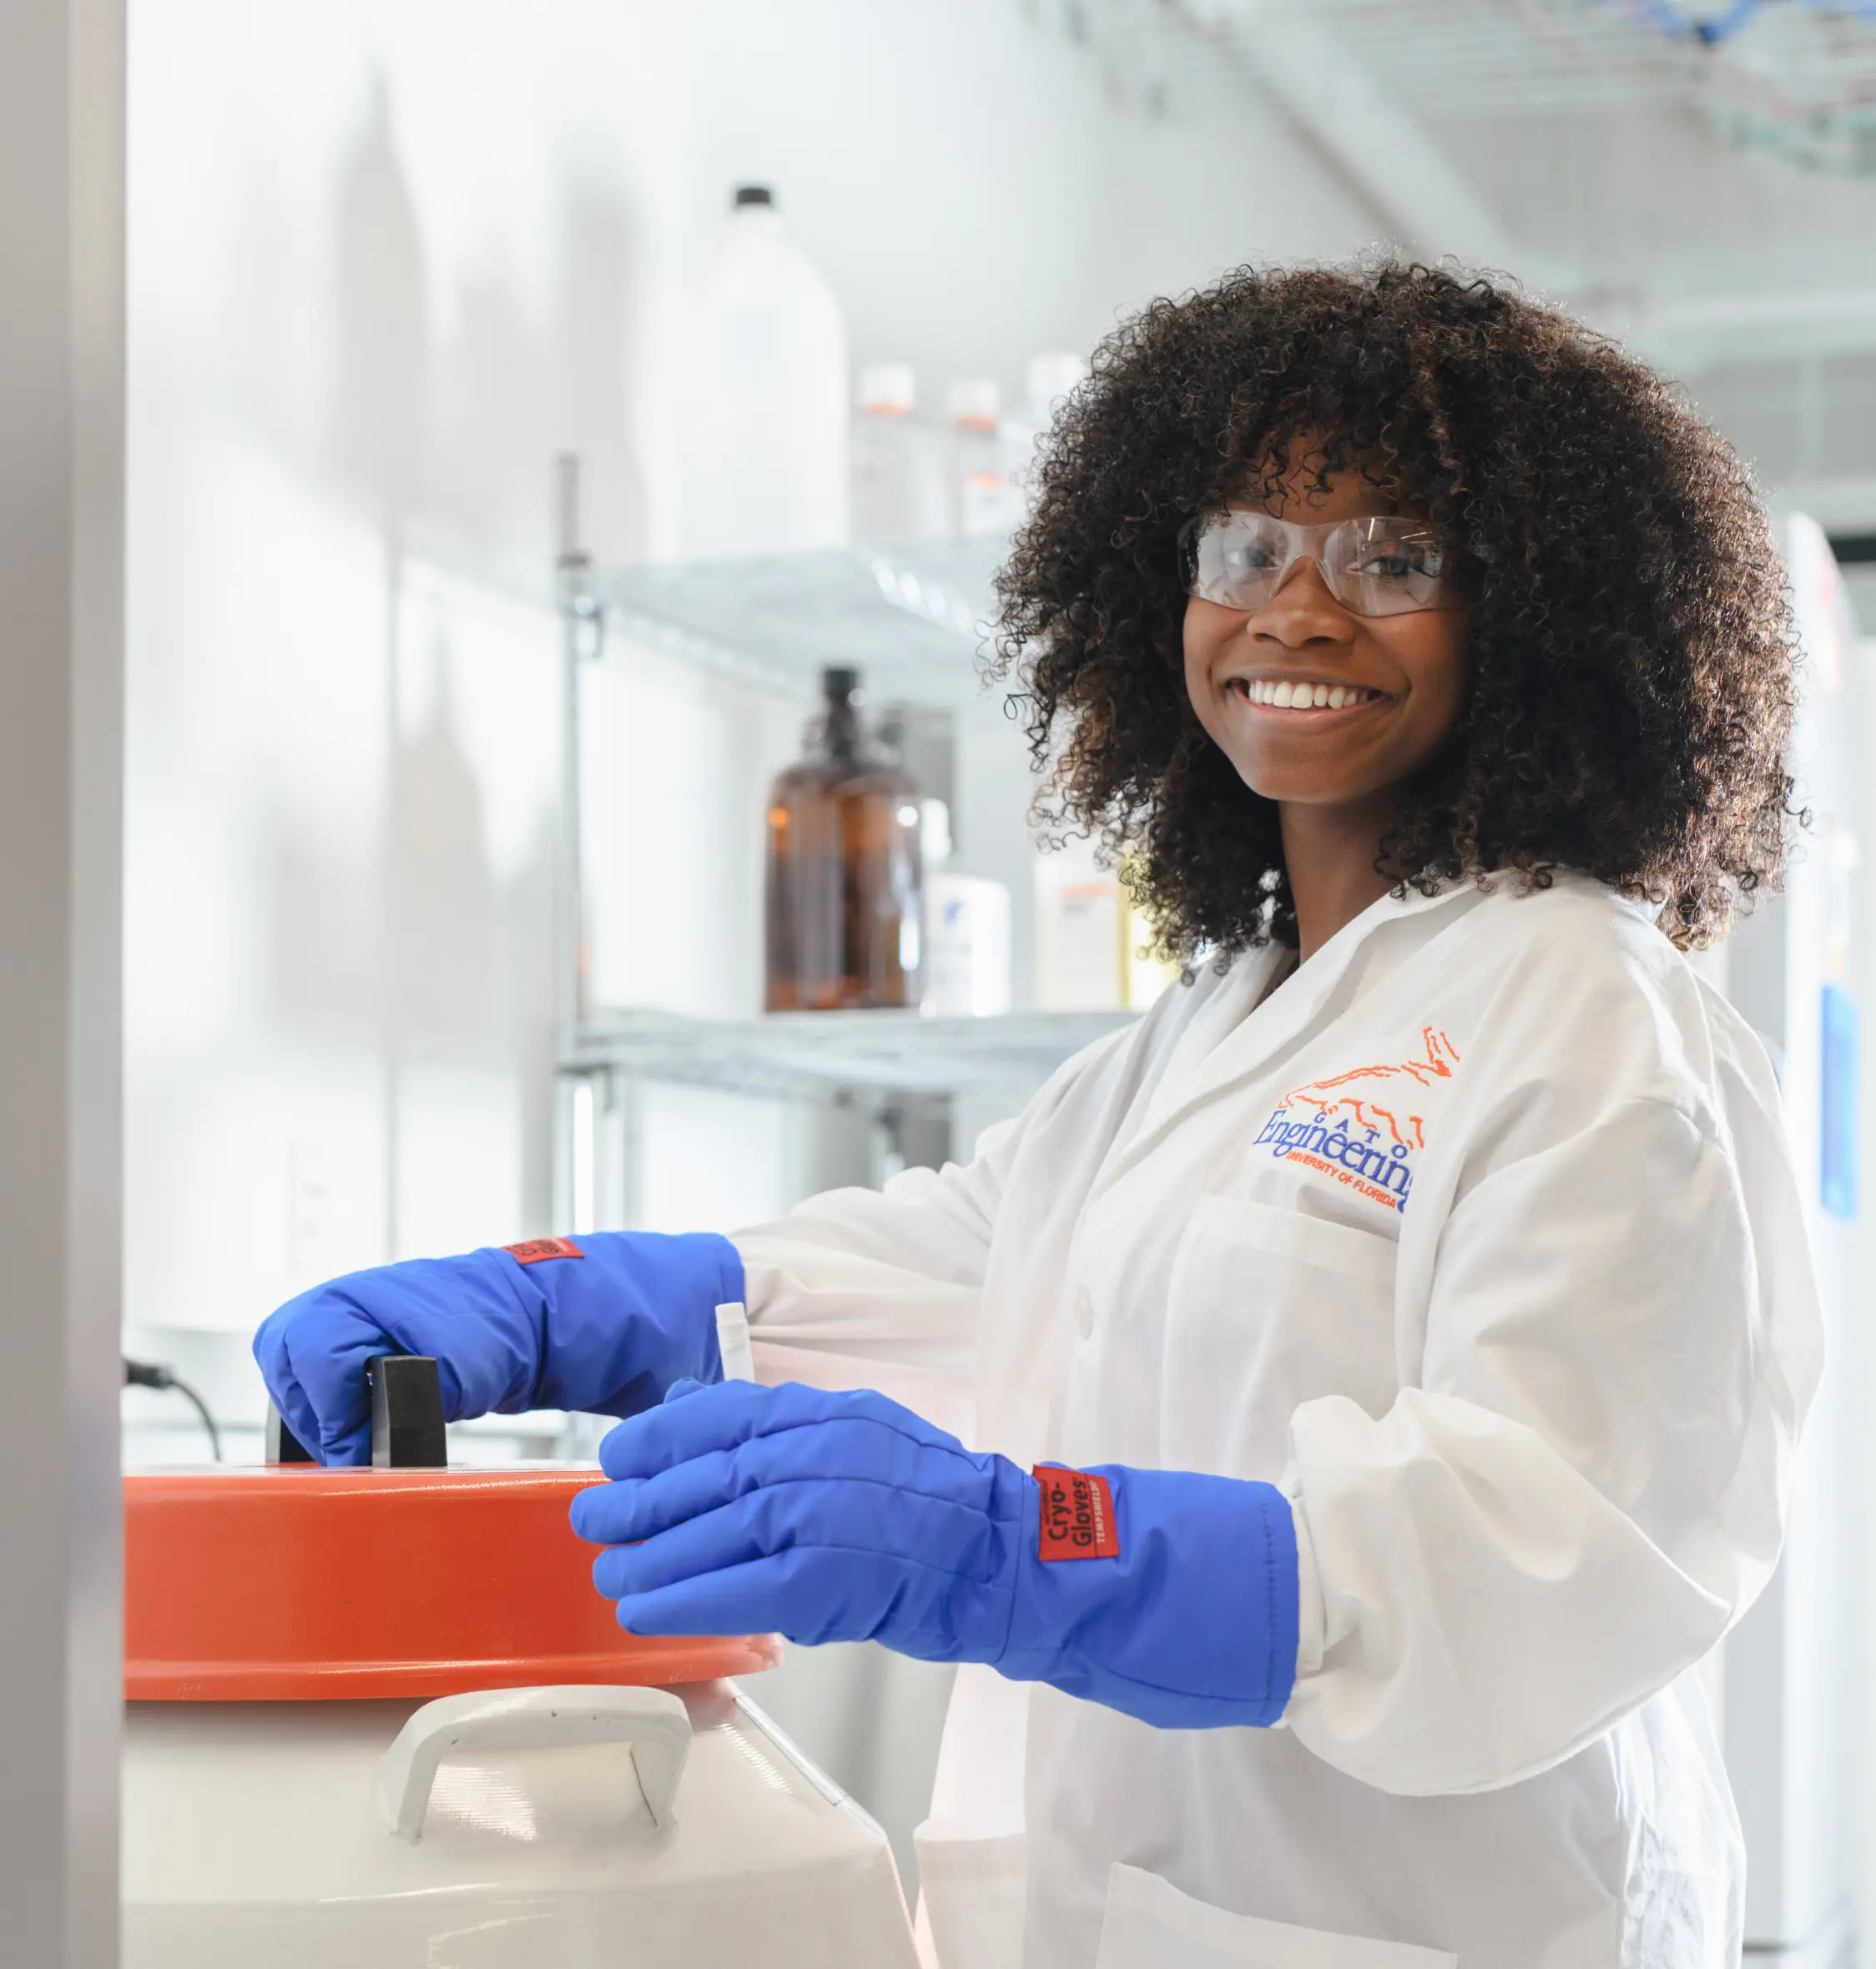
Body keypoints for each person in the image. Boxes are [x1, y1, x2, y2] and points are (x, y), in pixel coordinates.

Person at [256, 261, 1821, 1969]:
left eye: (1391, 558)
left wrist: (1022, 1550)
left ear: (1530, 616)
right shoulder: (1215, 1026)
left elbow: (1531, 1544)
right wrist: (565, 1298)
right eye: (1243, 549)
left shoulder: (1579, 1002)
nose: (1295, 612)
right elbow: (976, 1260)